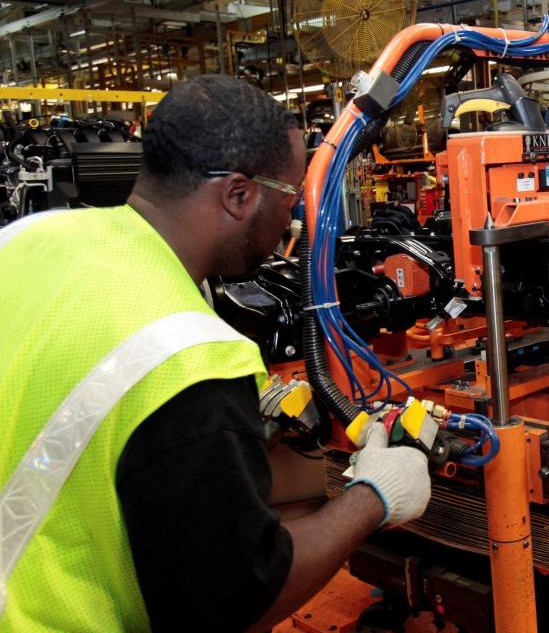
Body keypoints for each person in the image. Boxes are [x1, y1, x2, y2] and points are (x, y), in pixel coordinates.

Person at [0, 74, 431, 632]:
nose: (293, 220)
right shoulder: (192, 358)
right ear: (238, 195)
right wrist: (374, 495)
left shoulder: (28, 238)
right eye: (291, 196)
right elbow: (236, 599)